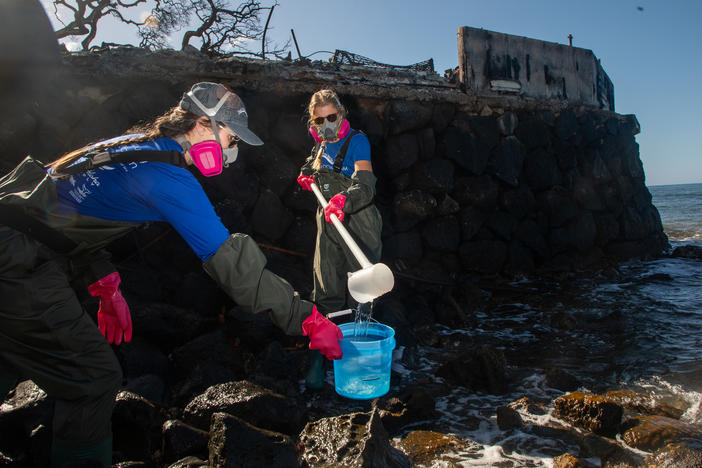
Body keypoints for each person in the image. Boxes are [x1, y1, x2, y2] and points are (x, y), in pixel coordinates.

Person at [0, 82, 342, 467]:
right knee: (93, 380)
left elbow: (66, 207)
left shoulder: (136, 143)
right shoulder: (170, 179)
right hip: (16, 264)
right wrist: (307, 320)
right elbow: (234, 267)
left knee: (10, 352)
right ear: (201, 124)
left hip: (15, 238)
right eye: (231, 137)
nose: (233, 151)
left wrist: (104, 281)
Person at [296, 89, 383, 389]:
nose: (327, 124)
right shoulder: (319, 146)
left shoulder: (357, 141)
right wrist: (306, 175)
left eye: (331, 117)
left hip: (357, 221)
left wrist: (344, 200)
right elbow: (311, 165)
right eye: (320, 120)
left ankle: (360, 358)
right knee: (325, 288)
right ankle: (321, 357)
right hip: (328, 224)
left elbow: (366, 184)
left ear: (342, 114)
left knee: (362, 292)